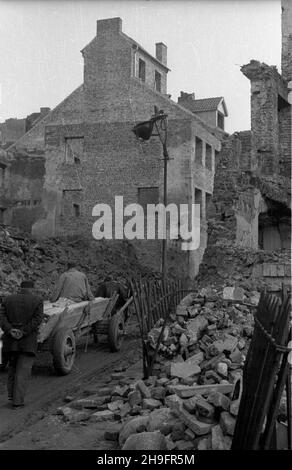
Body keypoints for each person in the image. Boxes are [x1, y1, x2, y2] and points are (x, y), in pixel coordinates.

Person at [0, 280, 44, 408]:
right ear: (32, 289)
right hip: (27, 340)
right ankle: (17, 402)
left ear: (20, 288)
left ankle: (12, 396)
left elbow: (1, 318)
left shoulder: (8, 299)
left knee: (13, 368)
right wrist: (23, 332)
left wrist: (10, 330)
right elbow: (37, 319)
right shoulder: (37, 300)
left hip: (10, 340)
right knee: (23, 371)